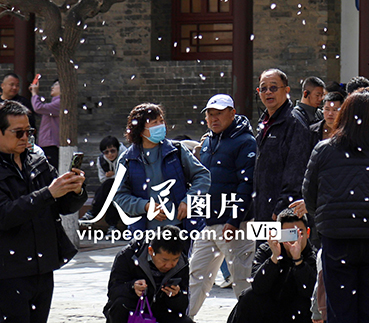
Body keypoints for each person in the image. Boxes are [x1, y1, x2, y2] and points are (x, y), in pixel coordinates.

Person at [304, 89, 369, 323]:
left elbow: (309, 196)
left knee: (339, 309)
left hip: (337, 240)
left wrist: (328, 217)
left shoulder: (323, 150)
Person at [0, 99, 86, 323]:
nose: (25, 138)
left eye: (29, 132)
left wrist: (74, 190)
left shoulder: (37, 161)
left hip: (42, 265)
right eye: (18, 133)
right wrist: (48, 193)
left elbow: (63, 207)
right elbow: (6, 215)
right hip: (8, 270)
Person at [187, 94, 258, 318]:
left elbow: (246, 185)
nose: (213, 118)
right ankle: (183, 318)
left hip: (237, 226)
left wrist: (233, 221)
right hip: (208, 224)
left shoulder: (246, 141)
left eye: (219, 113)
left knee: (242, 283)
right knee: (196, 276)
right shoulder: (207, 142)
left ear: (232, 113)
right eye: (210, 114)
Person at [112, 103, 211, 232]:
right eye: (154, 122)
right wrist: (145, 206)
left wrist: (189, 200)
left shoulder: (177, 151)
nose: (160, 126)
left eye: (161, 121)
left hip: (182, 227)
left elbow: (202, 176)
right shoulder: (127, 159)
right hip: (144, 230)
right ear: (140, 129)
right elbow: (119, 196)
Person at [226, 208, 316, 323]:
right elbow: (258, 287)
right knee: (248, 296)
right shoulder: (267, 250)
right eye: (289, 234)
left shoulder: (313, 255)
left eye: (299, 233)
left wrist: (298, 261)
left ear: (308, 233)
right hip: (271, 309)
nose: (294, 240)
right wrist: (274, 258)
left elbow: (311, 292)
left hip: (298, 312)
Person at [253, 68, 313, 222]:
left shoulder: (294, 122)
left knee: (281, 246)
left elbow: (297, 168)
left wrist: (283, 205)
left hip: (282, 212)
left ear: (286, 90)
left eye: (273, 88)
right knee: (261, 247)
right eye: (263, 88)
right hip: (260, 207)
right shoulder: (264, 122)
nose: (268, 92)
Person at [104, 226, 193, 323]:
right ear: (151, 251)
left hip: (162, 311)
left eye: (175, 259)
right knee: (120, 305)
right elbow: (113, 291)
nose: (169, 265)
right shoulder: (129, 255)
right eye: (164, 260)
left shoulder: (182, 263)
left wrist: (176, 296)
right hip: (133, 308)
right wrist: (132, 287)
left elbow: (183, 307)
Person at [83, 135, 128, 227]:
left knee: (109, 186)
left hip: (127, 185)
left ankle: (93, 213)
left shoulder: (125, 156)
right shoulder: (101, 160)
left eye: (112, 151)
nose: (110, 154)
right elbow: (102, 179)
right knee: (110, 191)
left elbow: (126, 175)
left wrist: (112, 176)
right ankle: (112, 226)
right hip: (111, 187)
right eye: (106, 152)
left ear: (118, 149)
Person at [30, 78, 60, 170]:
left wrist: (35, 93)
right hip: (47, 143)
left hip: (51, 144)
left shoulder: (60, 102)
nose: (52, 87)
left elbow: (38, 108)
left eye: (56, 84)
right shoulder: (54, 102)